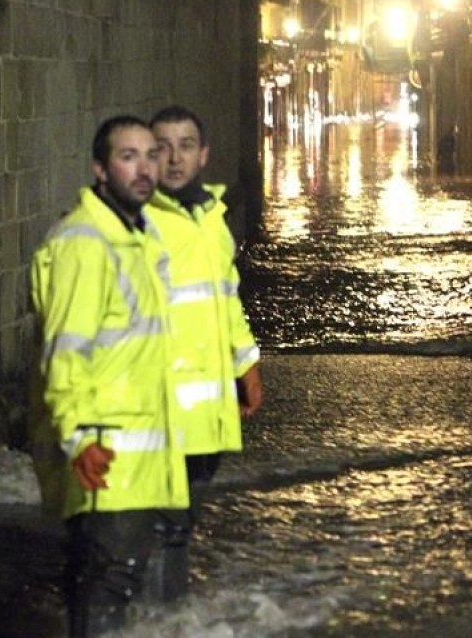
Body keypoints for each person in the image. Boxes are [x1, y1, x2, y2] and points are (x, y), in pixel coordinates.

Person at [28, 115, 190, 637]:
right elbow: (65, 350)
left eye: (150, 155)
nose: (145, 168)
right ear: (99, 169)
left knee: (117, 572)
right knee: (108, 576)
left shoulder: (135, 238)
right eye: (128, 157)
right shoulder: (86, 244)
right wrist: (78, 437)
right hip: (105, 446)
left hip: (139, 444)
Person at [144, 105, 264, 602]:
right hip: (157, 409)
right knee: (162, 524)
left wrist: (246, 363)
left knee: (183, 521)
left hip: (206, 412)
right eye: (163, 148)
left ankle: (166, 616)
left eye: (186, 146)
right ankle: (151, 620)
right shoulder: (138, 224)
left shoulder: (212, 220)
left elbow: (226, 297)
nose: (175, 158)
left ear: (204, 155)